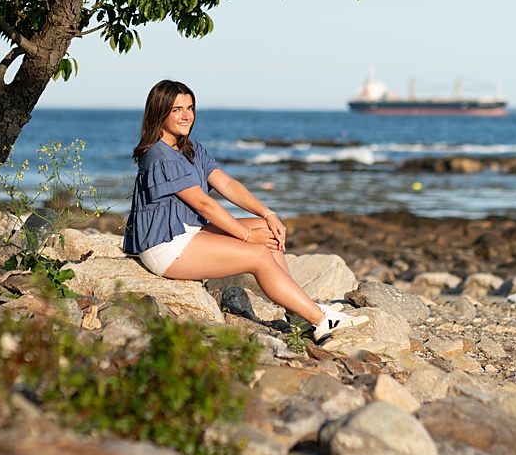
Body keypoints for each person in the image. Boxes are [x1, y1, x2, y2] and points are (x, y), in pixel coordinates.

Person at [122, 79, 366, 343]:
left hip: (187, 231)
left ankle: (299, 314)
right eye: (177, 109)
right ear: (160, 112)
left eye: (190, 108)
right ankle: (321, 321)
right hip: (164, 246)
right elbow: (204, 204)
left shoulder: (188, 148)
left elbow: (226, 184)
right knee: (258, 253)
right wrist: (246, 237)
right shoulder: (159, 155)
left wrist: (268, 214)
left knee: (265, 230)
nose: (186, 115)